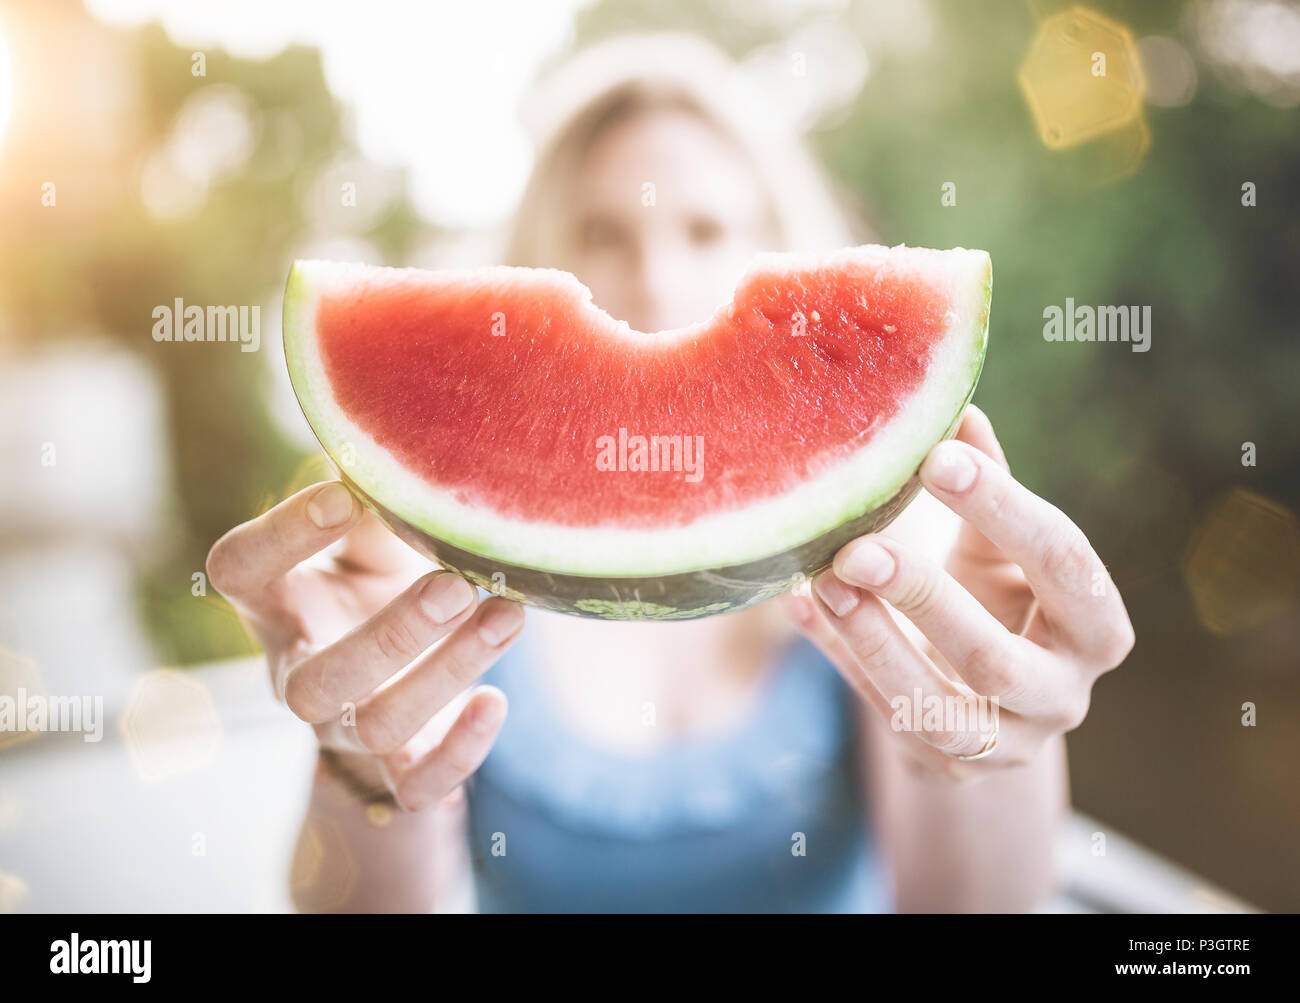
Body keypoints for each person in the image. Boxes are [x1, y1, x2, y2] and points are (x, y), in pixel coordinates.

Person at [206, 35, 1134, 913]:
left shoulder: (893, 559)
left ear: (780, 250)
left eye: (704, 227)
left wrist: (985, 747)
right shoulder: (433, 568)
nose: (652, 273)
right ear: (537, 253)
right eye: (603, 230)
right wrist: (364, 766)